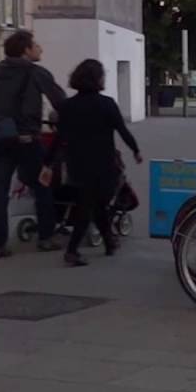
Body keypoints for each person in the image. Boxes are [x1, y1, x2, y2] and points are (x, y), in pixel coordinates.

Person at [39, 60, 142, 267]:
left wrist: (47, 164)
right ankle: (72, 251)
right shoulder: (107, 104)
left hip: (77, 164)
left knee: (94, 203)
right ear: (98, 79)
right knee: (90, 205)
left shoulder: (67, 106)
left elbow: (59, 138)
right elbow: (122, 131)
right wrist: (135, 150)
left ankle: (109, 242)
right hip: (103, 163)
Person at [0, 30, 68, 258]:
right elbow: (60, 101)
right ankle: (46, 237)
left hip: (1, 138)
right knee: (43, 184)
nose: (40, 49)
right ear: (26, 50)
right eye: (36, 45)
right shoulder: (36, 72)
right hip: (27, 139)